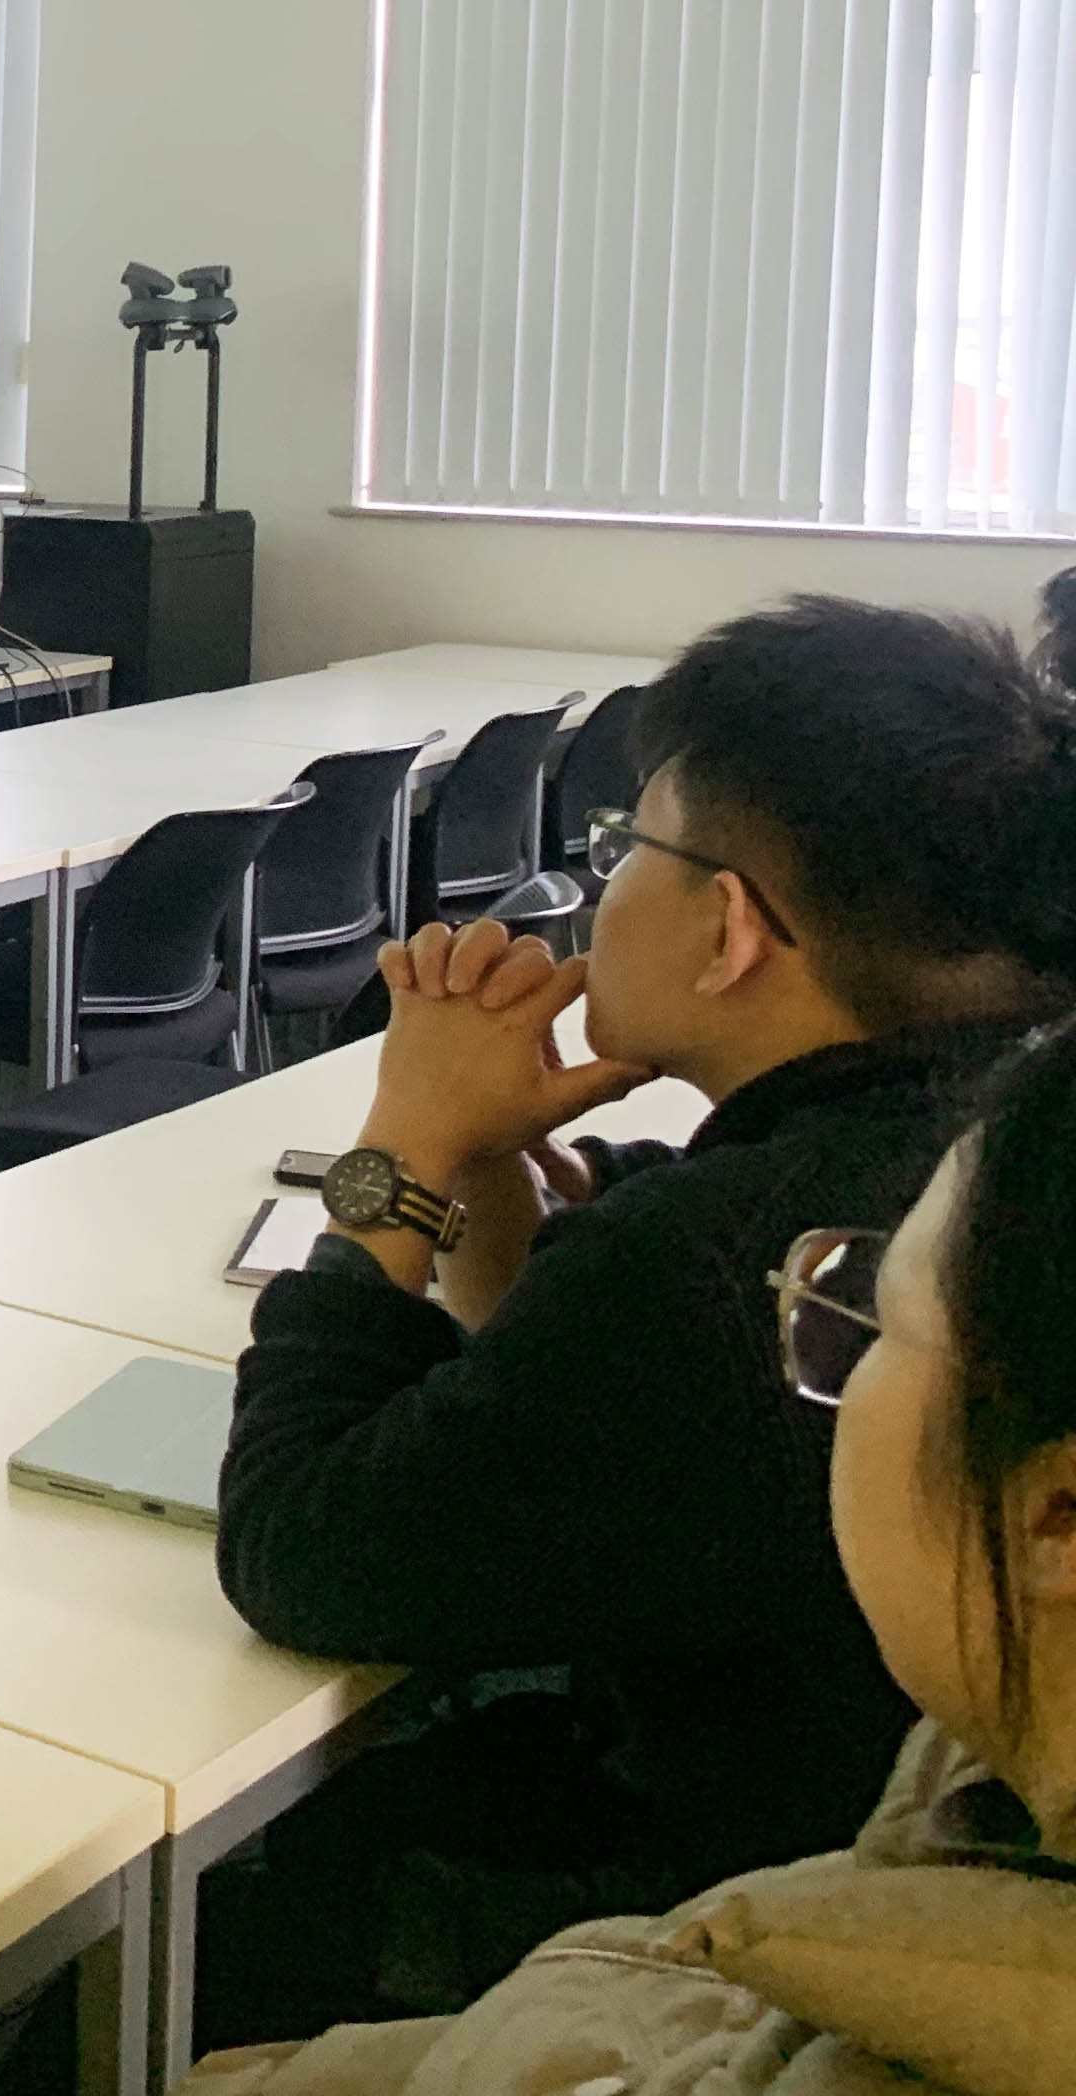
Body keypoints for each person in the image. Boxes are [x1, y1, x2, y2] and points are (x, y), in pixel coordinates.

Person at [200, 596, 1076, 2044]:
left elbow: (301, 1550)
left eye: (622, 851)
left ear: (729, 927)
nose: (595, 888)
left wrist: (400, 1153)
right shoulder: (994, 1134)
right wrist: (484, 1167)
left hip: (685, 1928)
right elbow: (573, 1381)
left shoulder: (739, 1263)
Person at [190, 1027, 1076, 2093]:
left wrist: (403, 1148)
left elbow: (301, 1542)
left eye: (864, 1311)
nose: (817, 1336)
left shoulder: (710, 1252)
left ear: (1057, 1516)